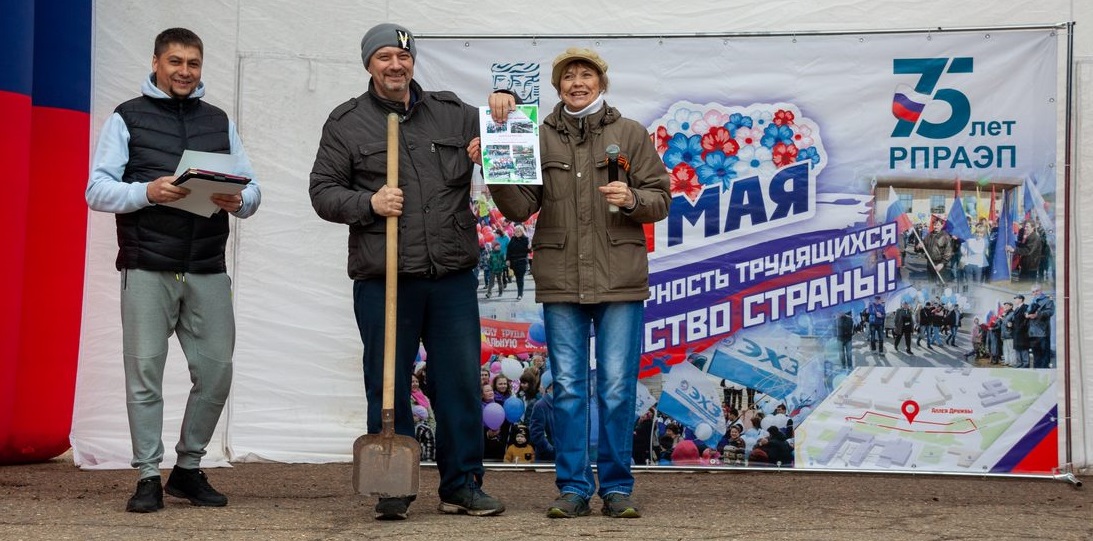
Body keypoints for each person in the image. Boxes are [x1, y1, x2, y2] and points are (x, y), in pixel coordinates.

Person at [308, 23, 504, 519]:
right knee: (387, 382)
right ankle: (392, 486)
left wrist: (507, 102)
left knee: (459, 384)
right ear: (369, 64)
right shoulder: (347, 123)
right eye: (384, 57)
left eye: (403, 56)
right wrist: (369, 203)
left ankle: (462, 485)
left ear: (413, 61)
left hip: (451, 276)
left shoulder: (453, 113)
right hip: (385, 277)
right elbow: (322, 192)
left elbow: (511, 134)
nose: (395, 65)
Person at [474, 47, 670, 520]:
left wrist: (632, 198)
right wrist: (493, 167)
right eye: (568, 76)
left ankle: (617, 488)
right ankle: (574, 488)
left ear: (601, 83)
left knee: (617, 389)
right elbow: (521, 208)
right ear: (558, 85)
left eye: (586, 75)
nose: (577, 83)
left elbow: (661, 198)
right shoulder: (537, 135)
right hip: (561, 278)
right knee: (567, 389)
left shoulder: (630, 133)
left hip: (619, 279)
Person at [85, 27, 261, 513]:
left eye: (193, 63)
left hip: (206, 266)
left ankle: (187, 469)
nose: (185, 71)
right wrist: (148, 192)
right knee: (145, 372)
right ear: (156, 63)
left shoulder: (218, 121)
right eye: (176, 62)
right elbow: (96, 190)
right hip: (147, 265)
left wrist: (240, 201)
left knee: (217, 372)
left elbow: (252, 189)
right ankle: (147, 474)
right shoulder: (127, 117)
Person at [1026, 284, 1054, 368]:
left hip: (1043, 332)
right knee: (1036, 356)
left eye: (1037, 291)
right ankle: (1037, 372)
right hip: (1032, 333)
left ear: (1041, 291)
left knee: (1044, 356)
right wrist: (1026, 314)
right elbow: (1027, 311)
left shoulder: (1048, 300)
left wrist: (1037, 314)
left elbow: (1050, 312)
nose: (1035, 293)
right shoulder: (1032, 301)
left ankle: (1044, 372)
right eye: (1033, 292)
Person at [918, 218, 953, 282]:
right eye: (934, 225)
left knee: (941, 283)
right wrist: (919, 247)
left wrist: (942, 263)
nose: (936, 227)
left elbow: (948, 252)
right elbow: (924, 247)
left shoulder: (945, 236)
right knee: (931, 282)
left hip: (940, 263)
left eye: (938, 225)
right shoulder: (929, 235)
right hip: (930, 262)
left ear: (942, 225)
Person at [507, 225, 531, 300]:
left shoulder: (526, 239)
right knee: (517, 278)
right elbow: (509, 250)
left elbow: (529, 251)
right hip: (514, 261)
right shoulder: (512, 239)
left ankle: (520, 294)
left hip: (522, 261)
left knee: (520, 278)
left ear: (522, 232)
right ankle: (520, 292)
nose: (517, 233)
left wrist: (530, 248)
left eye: (518, 231)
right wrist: (507, 259)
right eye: (516, 231)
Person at [1010, 294, 1031, 368]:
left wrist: (1020, 328)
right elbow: (1015, 320)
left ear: (1021, 299)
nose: (1015, 300)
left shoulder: (1026, 307)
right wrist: (1011, 324)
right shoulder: (1016, 309)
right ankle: (1019, 363)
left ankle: (1025, 363)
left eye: (1016, 299)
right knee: (1017, 348)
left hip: (1023, 332)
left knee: (1024, 348)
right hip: (1016, 331)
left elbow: (1026, 320)